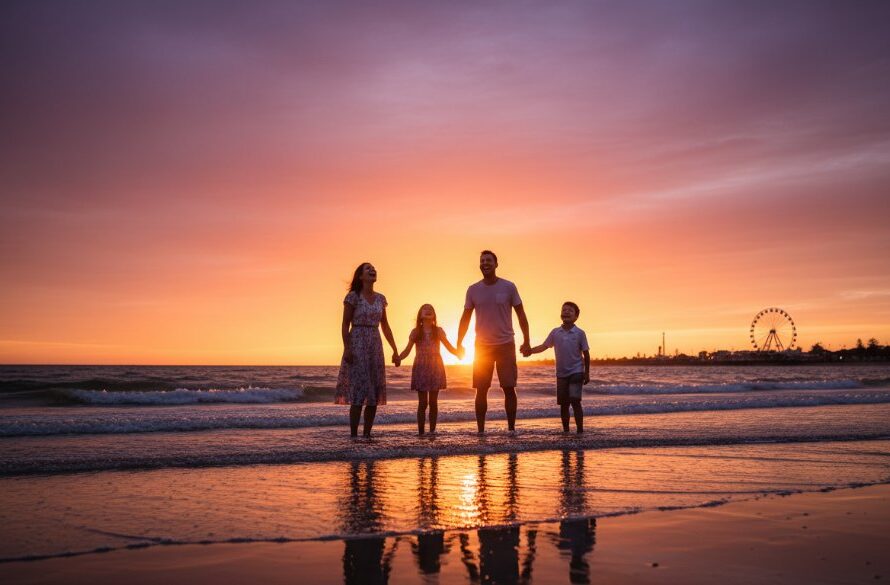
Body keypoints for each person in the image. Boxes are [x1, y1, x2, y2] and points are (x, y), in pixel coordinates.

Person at [456, 250, 530, 433]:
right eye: (482, 261)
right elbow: (465, 318)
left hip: (506, 344)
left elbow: (521, 315)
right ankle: (480, 431)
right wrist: (459, 343)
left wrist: (526, 340)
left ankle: (511, 429)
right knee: (481, 389)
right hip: (482, 347)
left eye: (489, 260)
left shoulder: (509, 287)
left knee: (509, 388)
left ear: (496, 264)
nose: (485, 263)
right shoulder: (473, 290)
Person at [334, 262, 400, 437]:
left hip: (375, 345)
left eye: (374, 268)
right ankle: (354, 437)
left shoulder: (380, 299)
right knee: (358, 393)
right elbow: (345, 324)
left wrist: (395, 349)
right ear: (360, 276)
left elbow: (385, 325)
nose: (372, 270)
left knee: (373, 396)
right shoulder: (353, 297)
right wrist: (347, 348)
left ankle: (367, 436)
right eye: (368, 268)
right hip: (357, 343)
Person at [524, 301, 590, 433]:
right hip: (561, 374)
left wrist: (586, 372)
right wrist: (530, 351)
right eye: (564, 310)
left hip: (577, 371)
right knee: (563, 404)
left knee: (575, 401)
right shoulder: (555, 332)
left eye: (570, 311)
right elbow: (544, 346)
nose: (566, 312)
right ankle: (566, 431)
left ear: (576, 316)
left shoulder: (580, 333)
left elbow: (586, 354)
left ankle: (580, 431)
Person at [398, 304, 461, 434]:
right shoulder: (416, 332)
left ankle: (432, 431)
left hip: (435, 367)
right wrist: (399, 358)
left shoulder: (438, 331)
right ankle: (421, 432)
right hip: (421, 367)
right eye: (424, 309)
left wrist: (458, 353)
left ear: (434, 316)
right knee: (422, 403)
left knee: (433, 402)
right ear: (420, 316)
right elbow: (407, 350)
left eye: (430, 309)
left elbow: (449, 347)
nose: (428, 310)